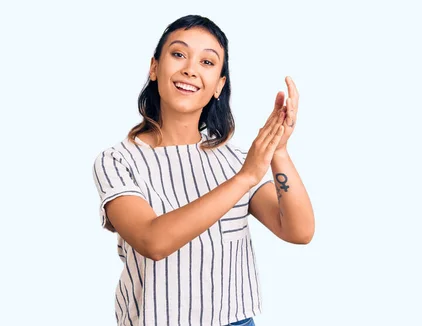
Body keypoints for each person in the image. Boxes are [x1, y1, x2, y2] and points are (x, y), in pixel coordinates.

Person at [92, 14, 315, 326]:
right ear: (154, 67)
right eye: (179, 54)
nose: (190, 69)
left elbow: (299, 230)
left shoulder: (235, 161)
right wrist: (246, 177)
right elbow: (152, 241)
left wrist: (278, 150)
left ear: (218, 86)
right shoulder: (118, 160)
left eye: (207, 62)